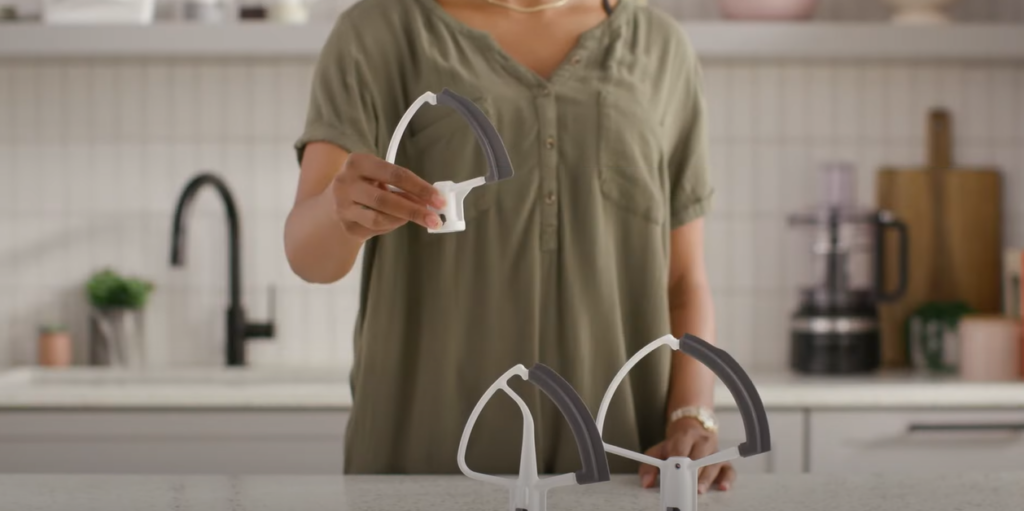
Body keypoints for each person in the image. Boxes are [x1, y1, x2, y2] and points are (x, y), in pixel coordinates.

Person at [285, 0, 734, 493]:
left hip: (624, 472)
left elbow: (684, 282)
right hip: (421, 468)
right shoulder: (377, 33)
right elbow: (310, 259)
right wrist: (339, 209)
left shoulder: (660, 49)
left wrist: (693, 417)